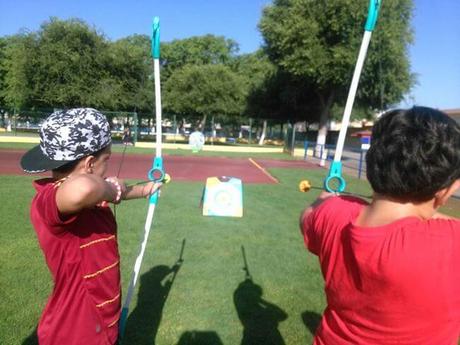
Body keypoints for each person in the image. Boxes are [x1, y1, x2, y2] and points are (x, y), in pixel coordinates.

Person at [299, 106, 460, 344]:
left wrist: (327, 198)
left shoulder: (333, 214)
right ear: (445, 192)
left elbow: (306, 217)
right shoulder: (451, 240)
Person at [20, 108, 161, 345]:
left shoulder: (90, 197)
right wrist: (110, 188)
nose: (108, 166)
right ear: (89, 163)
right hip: (73, 332)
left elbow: (114, 192)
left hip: (100, 326)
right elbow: (84, 188)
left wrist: (146, 189)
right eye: (107, 159)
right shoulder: (49, 199)